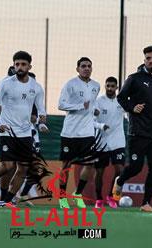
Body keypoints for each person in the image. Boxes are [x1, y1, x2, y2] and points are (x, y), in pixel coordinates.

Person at [111, 46, 152, 213]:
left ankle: (146, 203)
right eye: (148, 58)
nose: (151, 61)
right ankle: (120, 181)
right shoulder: (134, 78)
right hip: (137, 132)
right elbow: (121, 97)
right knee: (136, 167)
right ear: (144, 60)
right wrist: (132, 107)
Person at [0, 51, 46, 205]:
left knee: (23, 168)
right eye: (17, 64)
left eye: (23, 64)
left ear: (29, 66)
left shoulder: (36, 87)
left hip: (25, 133)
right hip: (7, 130)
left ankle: (8, 201)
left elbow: (41, 109)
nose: (20, 67)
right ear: (14, 66)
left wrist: (42, 122)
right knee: (8, 165)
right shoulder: (6, 83)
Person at [58, 57, 101, 209]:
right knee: (66, 166)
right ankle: (62, 197)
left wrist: (94, 109)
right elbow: (61, 105)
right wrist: (80, 106)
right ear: (77, 69)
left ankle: (77, 194)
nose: (86, 68)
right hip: (70, 132)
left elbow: (92, 104)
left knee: (90, 164)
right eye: (83, 66)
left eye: (89, 66)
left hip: (87, 132)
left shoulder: (96, 85)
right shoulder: (70, 84)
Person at [94, 76, 126, 209]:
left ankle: (111, 197)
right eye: (108, 86)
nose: (110, 88)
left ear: (116, 88)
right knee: (99, 172)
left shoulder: (122, 101)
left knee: (120, 170)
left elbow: (131, 112)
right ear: (105, 86)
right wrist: (101, 126)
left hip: (118, 141)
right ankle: (99, 199)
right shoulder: (98, 101)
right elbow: (91, 121)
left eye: (112, 86)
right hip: (101, 142)